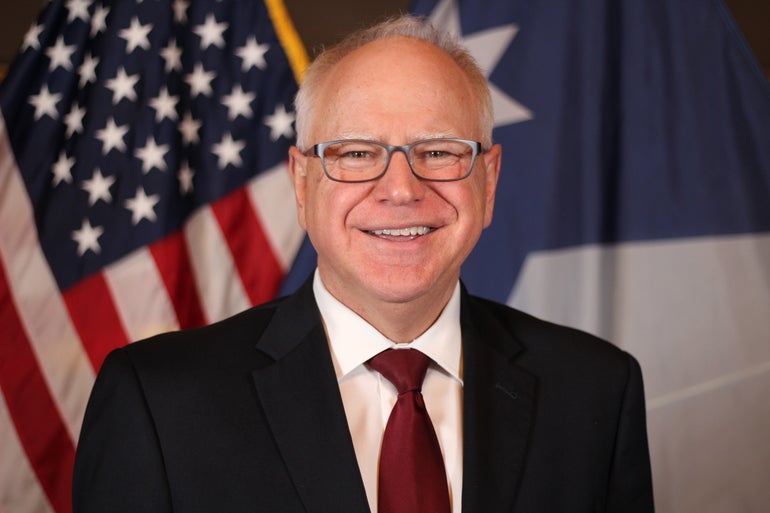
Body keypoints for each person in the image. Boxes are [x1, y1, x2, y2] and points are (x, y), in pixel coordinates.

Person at [73, 15, 654, 513]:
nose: (400, 189)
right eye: (355, 153)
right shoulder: (158, 401)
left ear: (489, 180)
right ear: (302, 182)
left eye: (438, 151)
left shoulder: (596, 389)